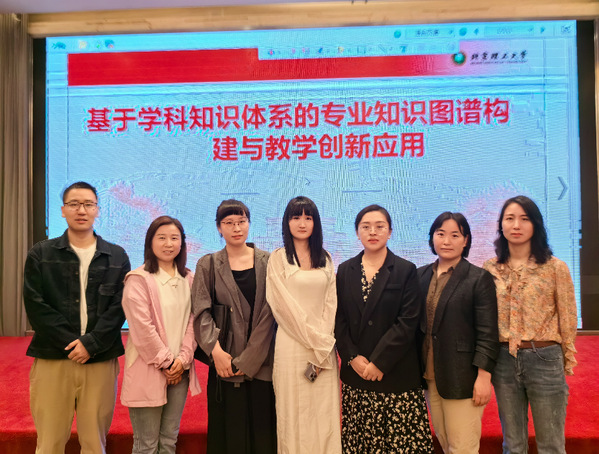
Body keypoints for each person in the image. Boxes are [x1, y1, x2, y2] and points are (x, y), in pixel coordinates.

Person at [23, 181, 131, 454]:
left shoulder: (116, 255)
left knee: (95, 443)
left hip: (99, 359)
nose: (81, 210)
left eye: (88, 204)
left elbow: (120, 307)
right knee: (49, 443)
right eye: (74, 204)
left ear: (97, 210)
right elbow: (35, 304)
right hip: (53, 358)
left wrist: (91, 344)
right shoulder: (41, 253)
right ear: (63, 210)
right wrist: (72, 344)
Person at [335, 204, 434, 453]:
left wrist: (379, 362)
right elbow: (339, 319)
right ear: (357, 232)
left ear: (390, 232)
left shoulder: (405, 270)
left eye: (379, 226)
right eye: (366, 227)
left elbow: (408, 321)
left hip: (395, 374)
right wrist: (352, 357)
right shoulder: (345, 270)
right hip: (357, 376)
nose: (373, 232)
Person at [483, 195, 577, 454]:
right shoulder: (490, 269)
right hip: (503, 360)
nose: (516, 225)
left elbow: (568, 316)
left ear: (536, 224)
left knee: (551, 445)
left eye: (524, 219)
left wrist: (565, 357)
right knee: (513, 445)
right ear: (501, 225)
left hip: (544, 357)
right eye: (510, 218)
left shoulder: (555, 268)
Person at [192, 199, 277, 454]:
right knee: (228, 434)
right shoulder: (207, 264)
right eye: (229, 223)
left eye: (241, 221)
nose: (236, 228)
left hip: (263, 363)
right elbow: (201, 312)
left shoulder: (269, 261)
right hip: (224, 364)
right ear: (219, 227)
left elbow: (270, 314)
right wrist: (216, 353)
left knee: (263, 433)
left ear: (249, 224)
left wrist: (248, 360)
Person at [417, 212, 499, 453]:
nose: (446, 241)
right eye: (440, 234)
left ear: (466, 240)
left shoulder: (478, 278)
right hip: (430, 375)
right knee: (444, 441)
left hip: (463, 377)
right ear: (432, 237)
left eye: (455, 235)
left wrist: (484, 377)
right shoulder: (420, 275)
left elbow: (487, 333)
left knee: (462, 447)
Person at [266, 196, 341, 453]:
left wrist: (322, 346)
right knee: (292, 415)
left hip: (324, 349)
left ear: (316, 223)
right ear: (286, 222)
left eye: (308, 218)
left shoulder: (326, 258)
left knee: (323, 414)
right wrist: (315, 341)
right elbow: (282, 307)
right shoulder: (278, 258)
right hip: (292, 346)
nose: (302, 223)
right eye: (296, 217)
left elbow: (331, 304)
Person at [120, 216, 201, 453]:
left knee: (168, 441)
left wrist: (182, 360)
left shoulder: (189, 278)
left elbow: (194, 322)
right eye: (162, 238)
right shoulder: (138, 279)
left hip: (180, 371)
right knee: (146, 444)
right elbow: (142, 329)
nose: (168, 244)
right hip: (149, 368)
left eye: (174, 238)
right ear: (150, 242)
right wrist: (167, 363)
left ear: (182, 243)